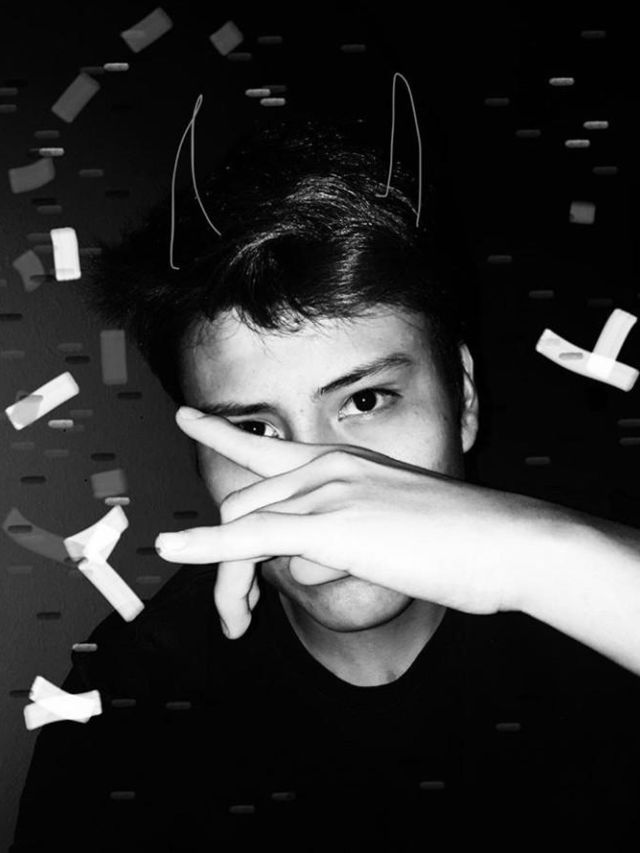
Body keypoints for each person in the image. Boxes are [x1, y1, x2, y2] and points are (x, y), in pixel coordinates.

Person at [11, 117, 640, 852]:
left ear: (463, 398)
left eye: (366, 400)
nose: (319, 483)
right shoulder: (128, 704)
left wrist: (549, 563)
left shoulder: (595, 604)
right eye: (255, 429)